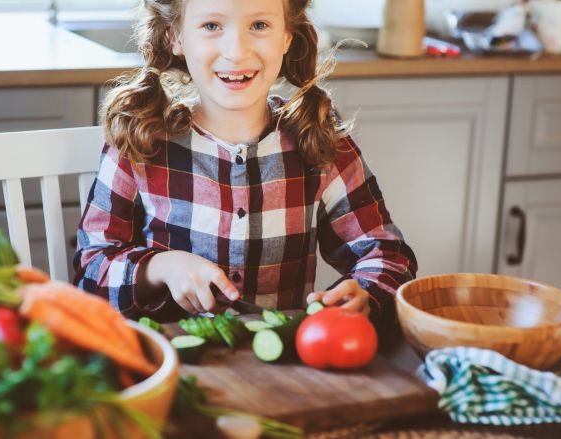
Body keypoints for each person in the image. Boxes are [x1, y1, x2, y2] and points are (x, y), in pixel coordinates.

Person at [73, 0, 417, 331]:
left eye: (259, 25)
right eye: (211, 25)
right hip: (171, 367)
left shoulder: (323, 144)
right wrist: (160, 267)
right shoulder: (139, 141)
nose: (236, 51)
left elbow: (387, 255)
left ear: (287, 36)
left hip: (284, 372)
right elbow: (91, 273)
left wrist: (365, 294)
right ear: (175, 36)